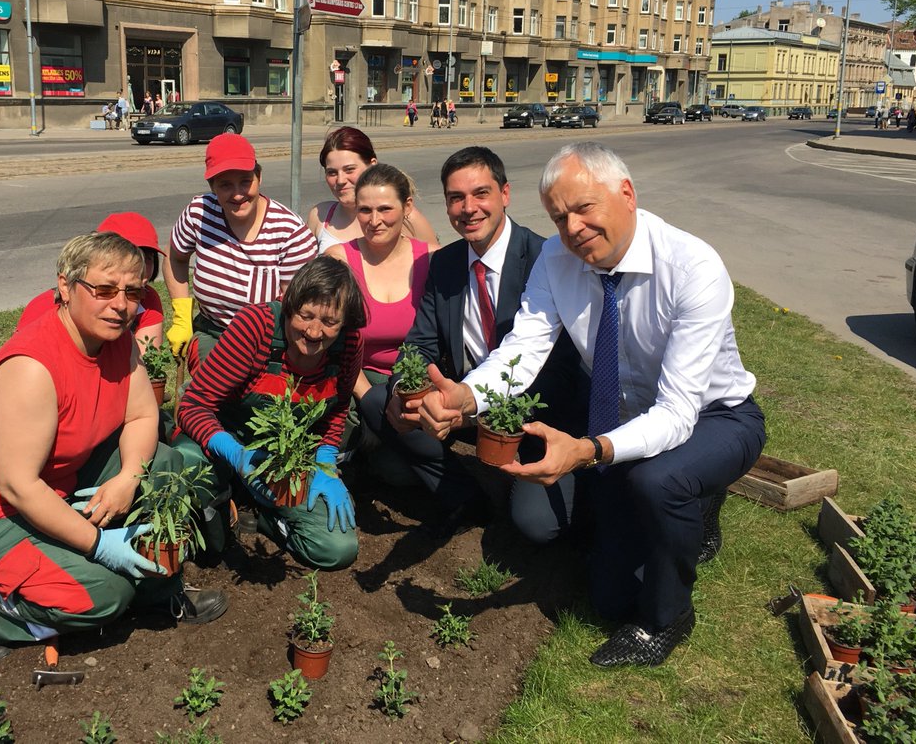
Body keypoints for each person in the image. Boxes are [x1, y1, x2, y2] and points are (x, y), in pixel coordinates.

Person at [417, 141, 765, 667]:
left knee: (659, 481)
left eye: (584, 208)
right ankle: (690, 506)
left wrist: (589, 451)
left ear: (626, 194)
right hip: (623, 416)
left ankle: (666, 619)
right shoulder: (558, 261)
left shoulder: (693, 267)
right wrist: (467, 396)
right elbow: (522, 350)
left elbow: (675, 415)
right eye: (559, 217)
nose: (573, 228)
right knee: (607, 598)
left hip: (714, 417)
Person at [0, 232, 227, 670]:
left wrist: (128, 478)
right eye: (104, 289)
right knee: (103, 597)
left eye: (132, 291)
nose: (121, 304)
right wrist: (98, 545)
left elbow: (143, 416)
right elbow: (17, 487)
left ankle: (159, 591)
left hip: (60, 481)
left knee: (164, 466)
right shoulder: (32, 368)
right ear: (65, 288)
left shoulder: (116, 340)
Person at [358, 146, 584, 541]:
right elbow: (418, 344)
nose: (468, 208)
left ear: (505, 195)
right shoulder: (445, 264)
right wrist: (403, 389)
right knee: (381, 400)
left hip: (538, 411)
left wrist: (470, 412)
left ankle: (522, 479)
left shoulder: (544, 259)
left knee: (538, 528)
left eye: (480, 194)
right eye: (455, 198)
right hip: (463, 401)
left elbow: (561, 370)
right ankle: (465, 496)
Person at [171, 257, 366, 569]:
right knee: (186, 471)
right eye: (306, 316)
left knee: (336, 547)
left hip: (284, 454)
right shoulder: (257, 327)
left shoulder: (348, 342)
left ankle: (270, 517)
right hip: (224, 437)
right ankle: (226, 498)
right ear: (289, 306)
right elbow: (194, 406)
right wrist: (235, 455)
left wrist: (326, 460)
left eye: (330, 322)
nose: (315, 332)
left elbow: (338, 406)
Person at [165, 133, 318, 374]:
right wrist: (182, 316)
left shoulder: (290, 232)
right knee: (202, 401)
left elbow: (299, 311)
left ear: (259, 177)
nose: (237, 194)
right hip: (213, 332)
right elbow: (175, 258)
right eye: (225, 184)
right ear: (212, 186)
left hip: (269, 346)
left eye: (246, 181)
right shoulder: (199, 214)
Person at [323, 163, 440, 400]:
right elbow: (332, 344)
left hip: (421, 384)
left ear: (407, 206)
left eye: (385, 209)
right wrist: (367, 397)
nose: (374, 220)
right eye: (365, 210)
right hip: (360, 384)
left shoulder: (433, 259)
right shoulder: (339, 259)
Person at [19, 212, 166, 356]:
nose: (120, 304)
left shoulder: (147, 298)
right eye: (106, 289)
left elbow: (148, 363)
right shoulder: (43, 309)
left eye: (147, 258)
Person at [306, 126, 439, 253]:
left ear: (372, 165)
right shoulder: (320, 216)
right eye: (332, 172)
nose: (340, 180)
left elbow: (437, 266)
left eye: (349, 170)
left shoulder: (407, 218)